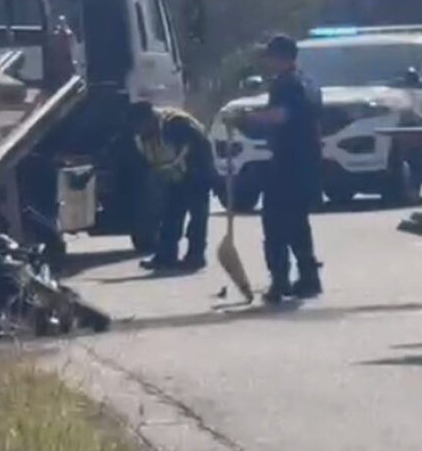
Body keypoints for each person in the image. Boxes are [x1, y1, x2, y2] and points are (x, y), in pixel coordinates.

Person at [228, 34, 323, 302]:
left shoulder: (287, 85)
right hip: (307, 162)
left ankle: (280, 281)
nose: (267, 62)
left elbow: (281, 116)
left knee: (275, 223)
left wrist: (245, 119)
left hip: (289, 164)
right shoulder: (309, 82)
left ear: (280, 57)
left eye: (270, 56)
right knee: (297, 223)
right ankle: (308, 278)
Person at [129, 101, 215, 272]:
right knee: (171, 215)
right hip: (174, 175)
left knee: (197, 215)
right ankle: (166, 256)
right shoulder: (143, 135)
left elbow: (197, 147)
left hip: (197, 169)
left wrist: (206, 177)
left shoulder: (176, 124)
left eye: (140, 125)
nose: (138, 130)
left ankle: (196, 256)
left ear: (149, 119)